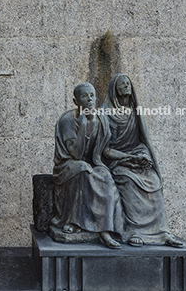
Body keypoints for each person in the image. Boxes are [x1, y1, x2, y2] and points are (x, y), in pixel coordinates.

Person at [101, 74, 182, 247]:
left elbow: (141, 142)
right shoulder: (104, 114)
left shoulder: (135, 112)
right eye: (121, 84)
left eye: (128, 83)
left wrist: (143, 156)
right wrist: (127, 158)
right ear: (114, 89)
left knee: (153, 179)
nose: (126, 86)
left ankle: (162, 232)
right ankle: (134, 231)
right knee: (129, 181)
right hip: (116, 162)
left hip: (135, 158)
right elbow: (105, 150)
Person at [53, 82, 123, 249]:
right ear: (76, 100)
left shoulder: (101, 120)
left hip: (93, 162)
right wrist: (83, 125)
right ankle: (75, 222)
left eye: (92, 95)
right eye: (84, 96)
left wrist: (129, 157)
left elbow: (105, 151)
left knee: (105, 175)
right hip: (67, 164)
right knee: (82, 169)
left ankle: (105, 230)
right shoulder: (67, 120)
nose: (90, 99)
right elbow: (75, 154)